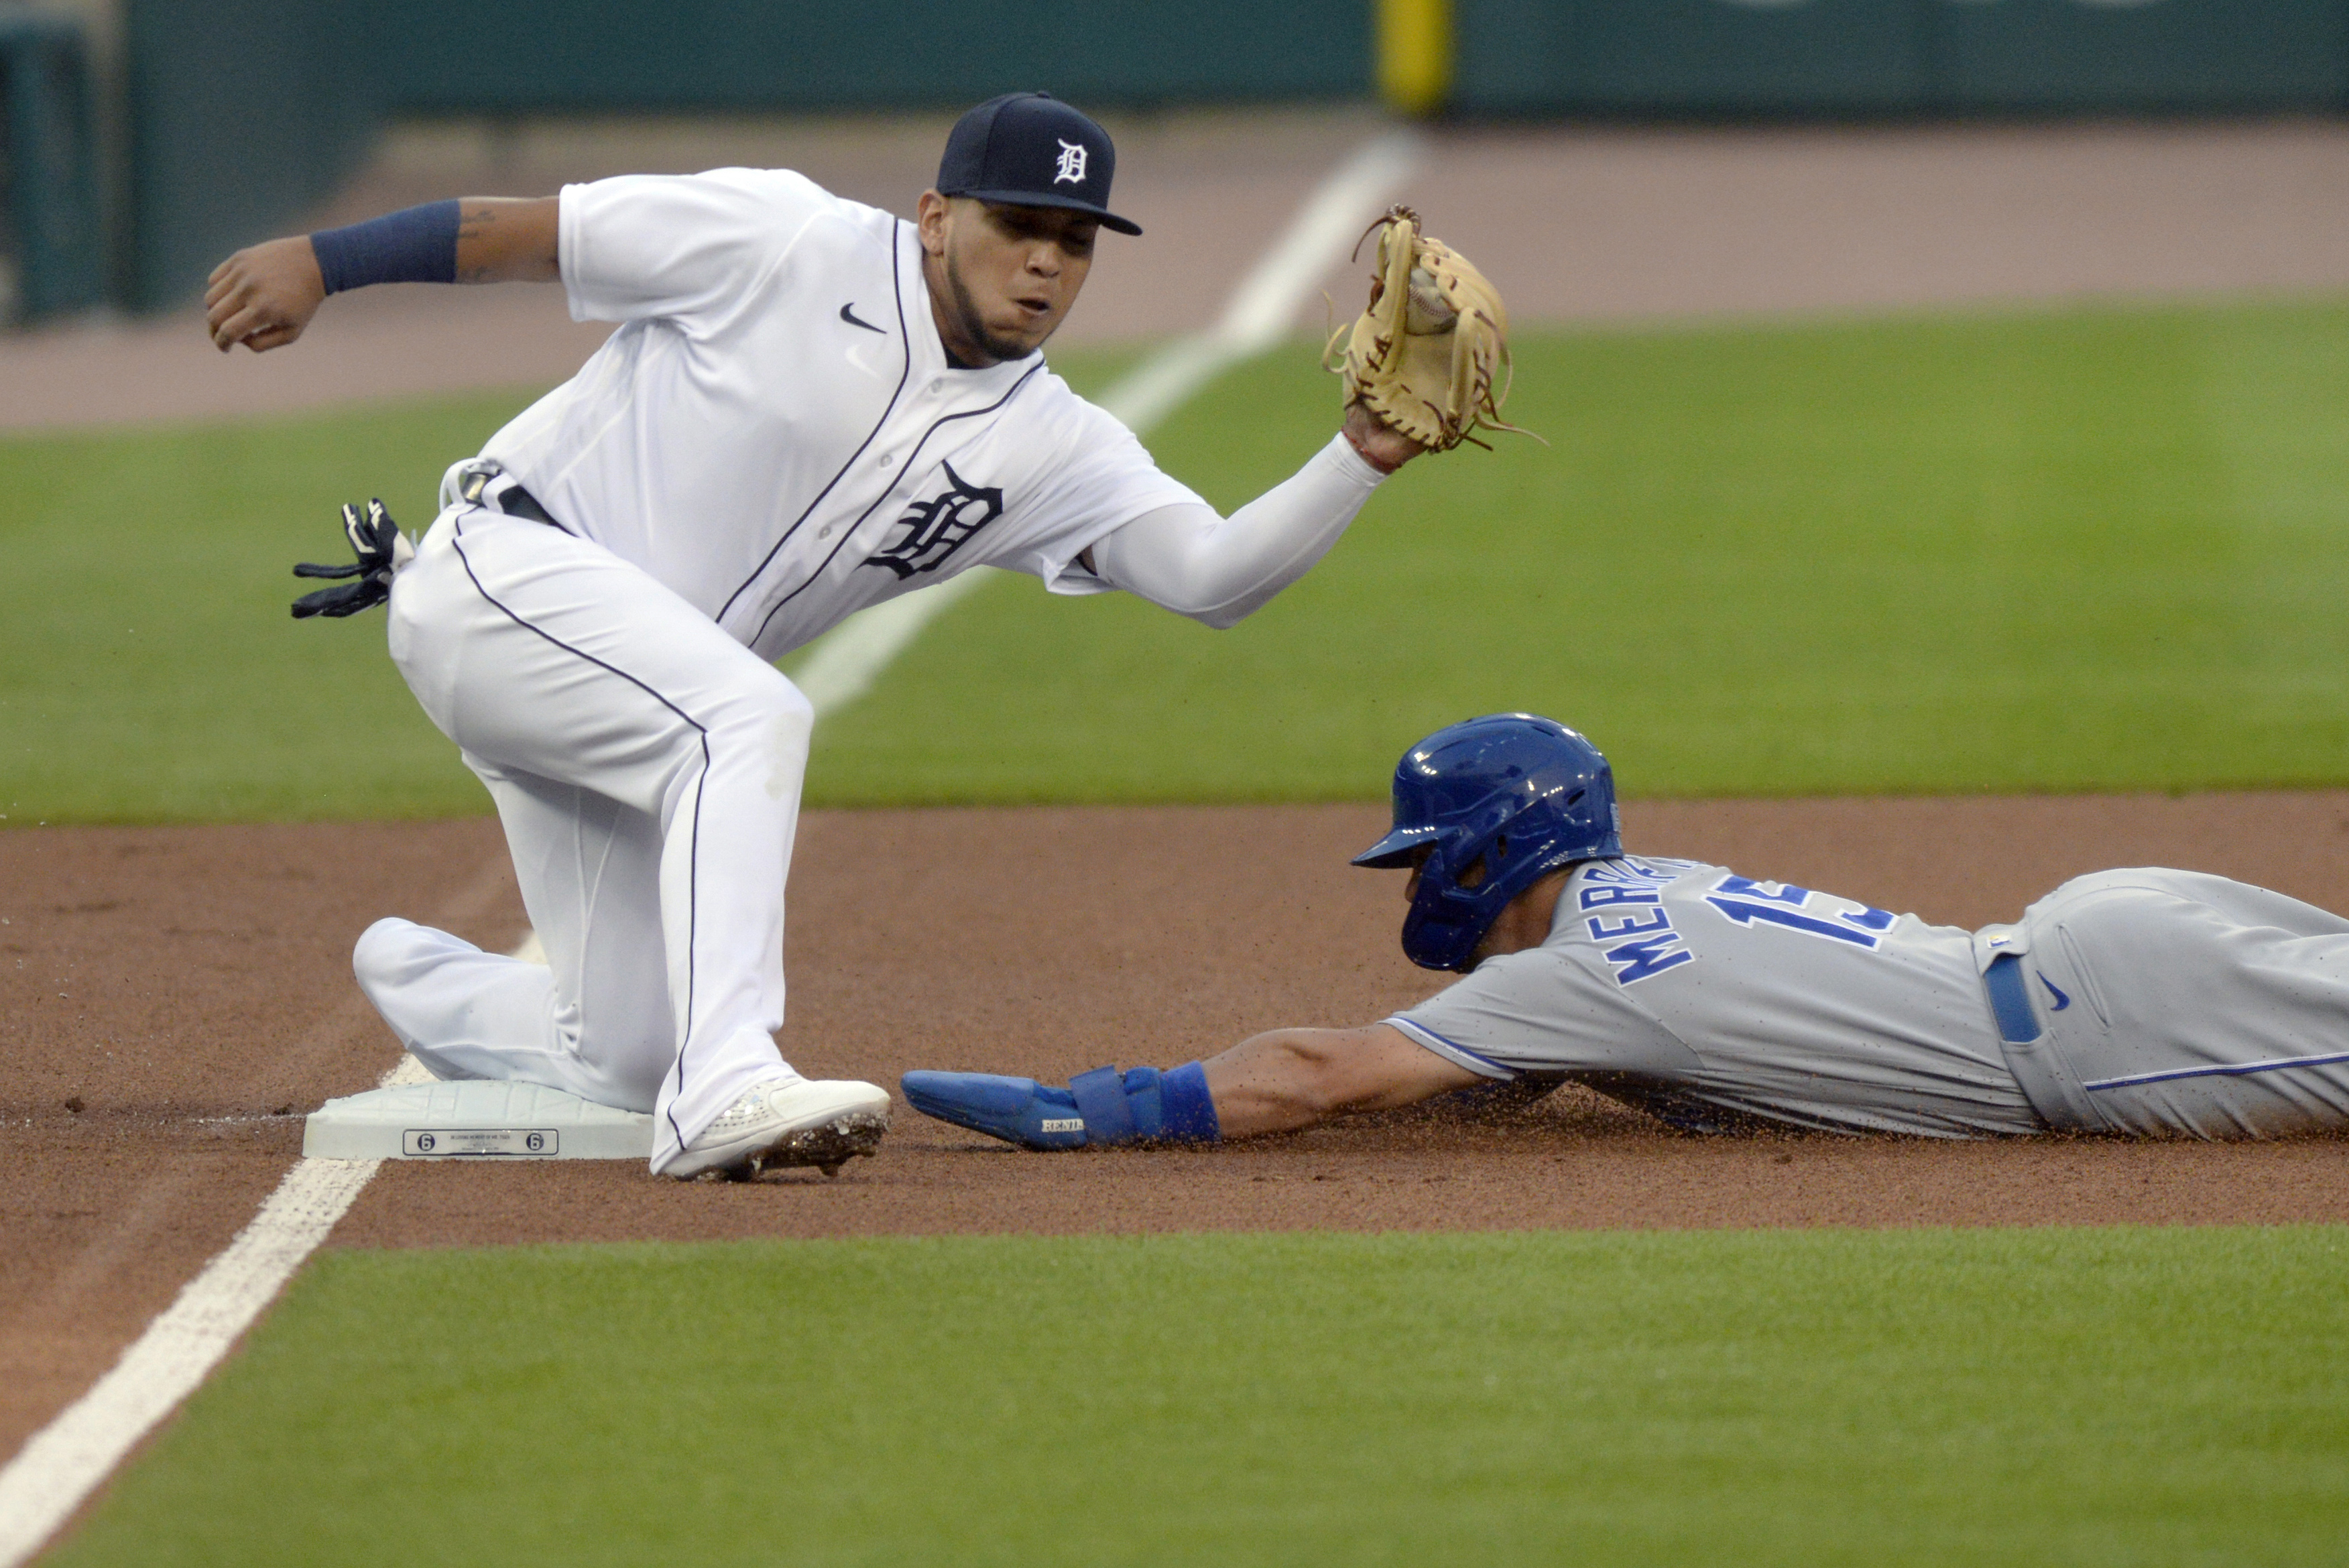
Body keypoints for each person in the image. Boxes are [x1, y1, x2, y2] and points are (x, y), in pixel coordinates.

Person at [204, 93, 1431, 1179]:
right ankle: (731, 1081)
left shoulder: (1052, 443)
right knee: (752, 712)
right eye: (1020, 228)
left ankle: (419, 974)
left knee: (630, 1056)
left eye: (1073, 243)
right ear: (937, 216)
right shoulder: (783, 241)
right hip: (503, 577)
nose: (1046, 265)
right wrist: (321, 260)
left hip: (621, 697)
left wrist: (1358, 460)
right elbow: (533, 234)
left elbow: (1214, 576)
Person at [904, 713, 2349, 1148]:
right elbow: (1512, 1075)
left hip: (2113, 1038)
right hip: (2117, 927)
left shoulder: (1573, 977)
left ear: (1495, 847)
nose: (1420, 889)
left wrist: (1102, 1110)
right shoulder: (1646, 886)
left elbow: (1329, 1068)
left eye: (1431, 857)